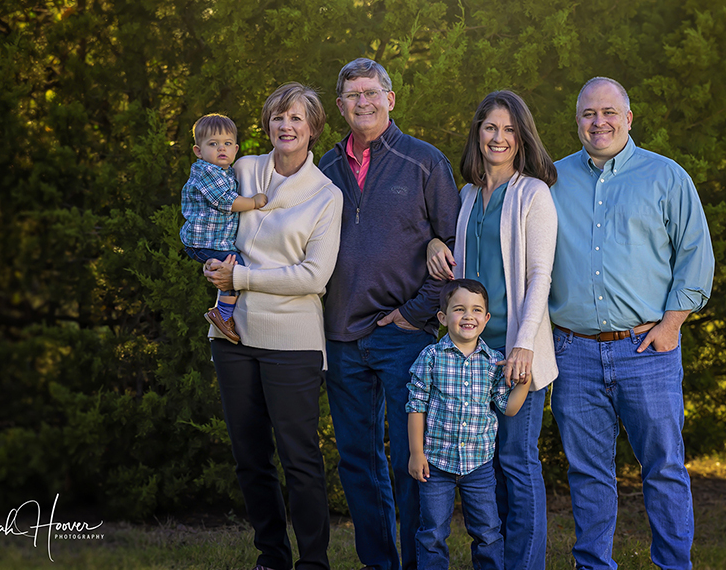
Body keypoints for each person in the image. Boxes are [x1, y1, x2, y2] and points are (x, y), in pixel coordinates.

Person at [549, 77, 715, 570]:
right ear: (577, 120)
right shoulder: (552, 181)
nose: (598, 122)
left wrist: (670, 326)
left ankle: (673, 565)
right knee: (587, 472)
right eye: (588, 114)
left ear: (628, 117)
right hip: (574, 353)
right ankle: (593, 565)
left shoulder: (666, 177)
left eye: (608, 112)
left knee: (663, 469)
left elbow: (695, 258)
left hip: (648, 349)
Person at [318, 58, 461, 570]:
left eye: (372, 92)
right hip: (341, 334)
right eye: (353, 94)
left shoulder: (424, 161)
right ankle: (379, 563)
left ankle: (421, 562)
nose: (363, 101)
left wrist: (415, 313)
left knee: (409, 459)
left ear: (390, 99)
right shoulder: (324, 170)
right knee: (358, 461)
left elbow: (451, 246)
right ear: (340, 106)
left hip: (404, 336)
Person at [203, 83, 342, 570]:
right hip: (233, 334)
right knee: (250, 457)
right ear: (266, 125)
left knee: (299, 459)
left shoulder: (327, 195)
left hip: (292, 341)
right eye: (279, 117)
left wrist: (240, 275)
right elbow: (208, 215)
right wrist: (208, 260)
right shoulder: (242, 171)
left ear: (313, 129)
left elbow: (313, 276)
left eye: (297, 119)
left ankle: (314, 562)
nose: (286, 126)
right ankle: (272, 557)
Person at [424, 90, 558, 569]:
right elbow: (460, 269)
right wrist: (434, 247)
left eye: (508, 130)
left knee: (517, 462)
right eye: (490, 128)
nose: (498, 138)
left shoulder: (532, 194)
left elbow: (541, 272)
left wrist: (523, 346)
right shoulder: (466, 197)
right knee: (487, 467)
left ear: (521, 140)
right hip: (469, 353)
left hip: (512, 350)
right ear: (477, 133)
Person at [406, 279, 531, 570]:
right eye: (459, 309)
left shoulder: (493, 363)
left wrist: (523, 384)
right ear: (443, 317)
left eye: (476, 310)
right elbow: (416, 405)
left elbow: (508, 408)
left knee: (487, 533)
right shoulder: (431, 357)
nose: (468, 316)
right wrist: (416, 453)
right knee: (433, 533)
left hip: (479, 467)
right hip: (435, 465)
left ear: (486, 319)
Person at [180, 113, 269, 342]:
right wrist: (254, 202)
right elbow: (225, 201)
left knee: (228, 265)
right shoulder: (206, 172)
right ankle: (222, 313)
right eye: (213, 144)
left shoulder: (225, 171)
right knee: (235, 267)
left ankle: (223, 311)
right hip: (202, 241)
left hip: (212, 241)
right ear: (198, 151)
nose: (222, 148)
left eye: (227, 144)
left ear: (236, 149)